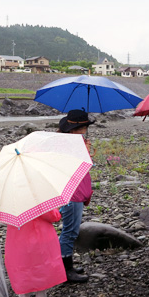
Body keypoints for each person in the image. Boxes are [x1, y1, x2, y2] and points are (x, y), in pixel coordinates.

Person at [5, 209, 67, 297]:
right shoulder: (38, 198)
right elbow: (52, 216)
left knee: (21, 269)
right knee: (40, 270)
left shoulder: (12, 201)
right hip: (39, 237)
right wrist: (57, 213)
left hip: (17, 239)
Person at [57, 109, 95, 283]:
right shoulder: (70, 145)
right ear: (77, 128)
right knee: (69, 232)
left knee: (70, 231)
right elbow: (74, 169)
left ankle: (65, 265)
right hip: (72, 194)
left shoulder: (71, 142)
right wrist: (84, 153)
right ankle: (66, 269)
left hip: (74, 193)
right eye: (85, 126)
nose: (86, 128)